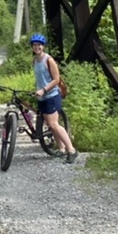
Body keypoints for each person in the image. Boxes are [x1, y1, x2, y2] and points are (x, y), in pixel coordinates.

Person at [30, 33, 78, 163]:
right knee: (51, 126)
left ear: (43, 46)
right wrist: (37, 91)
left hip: (51, 95)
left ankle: (71, 150)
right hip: (42, 97)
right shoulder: (34, 60)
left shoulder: (48, 60)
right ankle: (61, 149)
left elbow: (56, 80)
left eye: (39, 45)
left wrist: (44, 90)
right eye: (34, 45)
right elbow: (40, 78)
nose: (37, 47)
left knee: (54, 124)